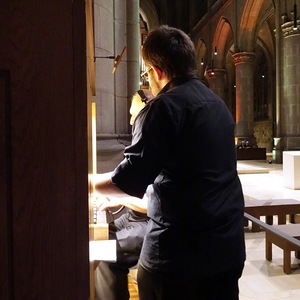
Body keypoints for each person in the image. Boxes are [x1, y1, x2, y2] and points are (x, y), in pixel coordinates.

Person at [94, 25, 245, 300]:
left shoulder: (163, 108)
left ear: (157, 71)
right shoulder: (218, 105)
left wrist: (86, 183)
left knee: (140, 274)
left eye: (147, 73)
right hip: (226, 251)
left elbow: (128, 182)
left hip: (178, 260)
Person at [94, 90, 152, 300]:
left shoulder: (156, 144)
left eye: (133, 115)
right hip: (133, 217)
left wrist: (116, 198)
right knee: (98, 236)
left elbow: (149, 206)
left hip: (150, 223)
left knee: (103, 252)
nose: (130, 120)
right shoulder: (143, 143)